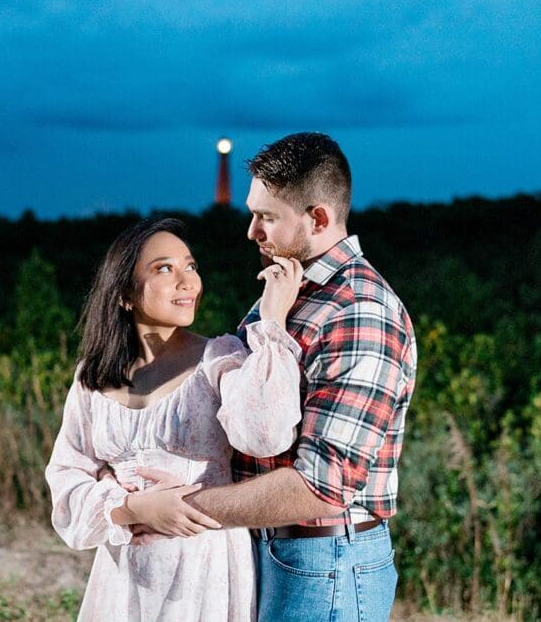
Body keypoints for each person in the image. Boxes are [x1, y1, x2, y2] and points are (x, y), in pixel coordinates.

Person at [126, 133, 418, 622]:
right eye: (251, 213)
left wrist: (183, 508)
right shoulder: (289, 292)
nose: (251, 231)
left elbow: (320, 488)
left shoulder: (359, 311)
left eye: (267, 217)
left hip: (323, 562)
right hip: (276, 549)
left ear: (318, 218)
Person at [45, 216, 306, 621]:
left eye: (191, 266)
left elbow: (266, 435)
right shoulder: (92, 377)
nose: (188, 281)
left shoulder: (219, 358)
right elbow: (66, 478)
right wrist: (133, 508)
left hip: (204, 570)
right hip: (123, 574)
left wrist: (271, 322)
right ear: (125, 294)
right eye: (164, 268)